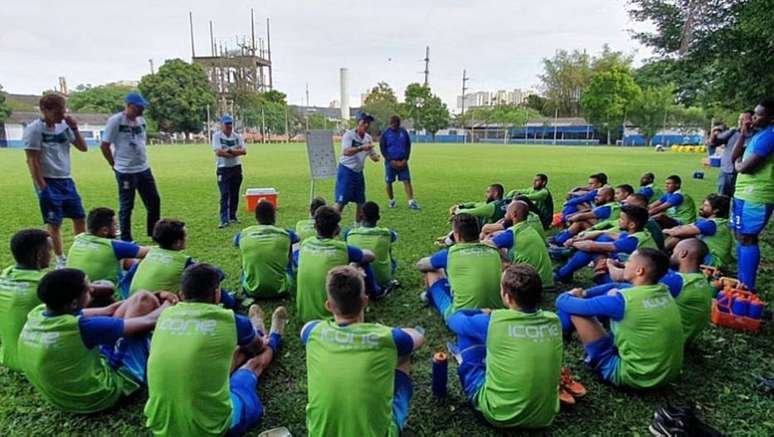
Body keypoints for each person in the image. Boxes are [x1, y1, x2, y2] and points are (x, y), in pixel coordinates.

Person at [144, 263, 288, 436]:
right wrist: (259, 341)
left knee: (223, 355)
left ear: (181, 294)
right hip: (213, 428)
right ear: (217, 293)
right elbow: (257, 349)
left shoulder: (165, 315)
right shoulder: (230, 320)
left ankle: (256, 329)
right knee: (250, 367)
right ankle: (274, 337)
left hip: (161, 426)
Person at [17, 268, 174, 413]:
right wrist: (169, 301)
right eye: (88, 290)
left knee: (141, 298)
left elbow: (108, 310)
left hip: (64, 400)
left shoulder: (38, 313)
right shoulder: (80, 327)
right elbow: (148, 321)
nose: (92, 290)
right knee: (140, 315)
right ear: (73, 303)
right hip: (99, 396)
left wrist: (156, 294)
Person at [301, 265, 425, 436]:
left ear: (329, 305)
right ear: (365, 301)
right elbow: (418, 337)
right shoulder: (387, 337)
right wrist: (384, 331)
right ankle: (396, 417)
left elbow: (306, 328)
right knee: (403, 356)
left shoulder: (312, 332)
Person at [447, 264, 562, 428]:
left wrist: (483, 311)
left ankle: (469, 364)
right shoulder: (554, 320)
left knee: (466, 331)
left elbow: (455, 319)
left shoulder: (494, 322)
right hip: (544, 418)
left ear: (507, 297)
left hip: (498, 415)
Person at [555, 248, 684, 389]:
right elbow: (616, 286)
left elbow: (563, 302)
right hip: (666, 374)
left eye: (628, 261)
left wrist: (571, 294)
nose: (624, 264)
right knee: (608, 293)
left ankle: (575, 342)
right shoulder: (663, 290)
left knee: (577, 311)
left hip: (636, 377)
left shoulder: (623, 301)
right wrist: (585, 293)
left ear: (639, 271)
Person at [23, 93, 88, 268]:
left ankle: (80, 253)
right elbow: (32, 160)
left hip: (66, 179)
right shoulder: (34, 130)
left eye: (63, 110)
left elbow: (83, 148)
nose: (62, 115)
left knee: (80, 217)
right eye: (58, 111)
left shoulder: (65, 126)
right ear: (45, 110)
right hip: (48, 181)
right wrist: (43, 188)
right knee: (54, 222)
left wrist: (74, 128)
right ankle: (60, 259)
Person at [295, 206, 377, 323]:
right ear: (337, 229)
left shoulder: (306, 244)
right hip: (334, 317)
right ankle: (376, 293)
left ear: (315, 227)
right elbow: (370, 256)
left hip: (305, 316)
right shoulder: (341, 248)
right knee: (360, 265)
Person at [417, 213, 503, 321]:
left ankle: (430, 297)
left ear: (456, 235)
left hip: (462, 317)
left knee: (432, 271)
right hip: (496, 313)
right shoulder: (493, 250)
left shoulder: (450, 254)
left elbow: (420, 265)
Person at [99, 92, 160, 242]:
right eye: (139, 107)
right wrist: (113, 164)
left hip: (143, 168)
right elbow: (104, 145)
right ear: (129, 106)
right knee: (127, 206)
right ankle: (126, 238)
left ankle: (154, 233)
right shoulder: (116, 121)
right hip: (125, 171)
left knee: (154, 201)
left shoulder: (141, 121)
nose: (142, 110)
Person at [731, 97, 774, 291]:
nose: (753, 118)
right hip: (744, 193)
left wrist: (739, 165)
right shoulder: (760, 135)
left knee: (747, 237)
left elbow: (744, 167)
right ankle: (742, 280)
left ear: (771, 118)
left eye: (758, 115)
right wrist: (743, 134)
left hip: (756, 195)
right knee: (740, 235)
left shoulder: (770, 136)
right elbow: (734, 158)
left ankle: (747, 287)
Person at [555, 205, 656, 283]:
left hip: (634, 279)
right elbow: (609, 234)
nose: (618, 221)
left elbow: (592, 246)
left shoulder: (632, 240)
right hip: (634, 269)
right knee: (602, 239)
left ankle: (564, 272)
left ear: (632, 224)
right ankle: (564, 272)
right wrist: (598, 233)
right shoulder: (640, 233)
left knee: (594, 249)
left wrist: (572, 243)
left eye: (621, 219)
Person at [0, 229, 52, 371]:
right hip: (34, 363)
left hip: (7, 357)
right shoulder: (45, 284)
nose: (51, 255)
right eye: (50, 250)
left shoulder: (5, 275)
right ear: (39, 255)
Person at [66, 207, 149, 290]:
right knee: (142, 261)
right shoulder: (113, 246)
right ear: (105, 230)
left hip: (77, 293)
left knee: (122, 257)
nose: (117, 228)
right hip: (106, 296)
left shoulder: (79, 238)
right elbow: (149, 252)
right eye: (115, 225)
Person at [234, 200, 299, 298]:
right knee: (291, 249)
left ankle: (253, 278)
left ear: (256, 217)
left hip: (251, 290)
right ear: (274, 216)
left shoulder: (243, 234)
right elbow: (297, 238)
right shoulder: (286, 234)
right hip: (281, 290)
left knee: (245, 262)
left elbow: (235, 241)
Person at [488, 201, 554, 288]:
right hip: (544, 280)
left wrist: (486, 237)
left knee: (493, 253)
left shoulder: (512, 234)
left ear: (514, 214)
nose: (504, 215)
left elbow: (487, 244)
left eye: (506, 212)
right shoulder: (528, 228)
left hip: (532, 285)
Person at [663, 194, 734, 269]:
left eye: (706, 206)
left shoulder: (712, 224)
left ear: (716, 210)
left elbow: (678, 231)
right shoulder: (714, 222)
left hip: (715, 261)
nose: (701, 208)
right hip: (712, 256)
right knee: (682, 239)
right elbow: (684, 228)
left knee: (682, 243)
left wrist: (665, 231)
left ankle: (663, 262)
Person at [345, 201, 400, 293]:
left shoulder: (349, 233)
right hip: (383, 279)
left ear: (361, 217)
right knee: (390, 256)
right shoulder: (387, 233)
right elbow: (394, 236)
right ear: (378, 217)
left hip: (357, 276)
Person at [334, 112, 381, 220]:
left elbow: (372, 153)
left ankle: (358, 226)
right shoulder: (349, 135)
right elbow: (346, 152)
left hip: (358, 172)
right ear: (358, 122)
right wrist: (361, 148)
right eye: (364, 122)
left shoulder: (368, 138)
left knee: (361, 202)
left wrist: (375, 157)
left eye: (368, 122)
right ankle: (329, 225)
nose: (366, 125)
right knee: (341, 202)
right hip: (346, 170)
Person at [128, 219, 192, 296]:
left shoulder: (149, 252)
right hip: (156, 305)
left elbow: (131, 274)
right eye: (185, 236)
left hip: (131, 301)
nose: (187, 238)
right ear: (177, 243)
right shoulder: (184, 261)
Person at [212, 114, 247, 228]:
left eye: (230, 124)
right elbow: (219, 152)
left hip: (236, 168)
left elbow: (243, 151)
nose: (229, 126)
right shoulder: (217, 136)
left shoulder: (237, 136)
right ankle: (223, 219)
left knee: (234, 194)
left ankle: (232, 216)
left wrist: (229, 151)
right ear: (222, 124)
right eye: (227, 124)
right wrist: (234, 151)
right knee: (224, 194)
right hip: (223, 169)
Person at [552, 187, 618, 246]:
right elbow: (589, 211)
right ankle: (561, 238)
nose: (595, 197)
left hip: (602, 231)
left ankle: (559, 241)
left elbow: (581, 216)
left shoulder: (605, 209)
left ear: (608, 197)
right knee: (579, 214)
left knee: (579, 222)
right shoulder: (613, 205)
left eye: (598, 196)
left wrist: (569, 217)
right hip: (603, 228)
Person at [710, 111, 755, 197]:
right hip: (726, 172)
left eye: (743, 119)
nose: (740, 122)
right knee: (721, 200)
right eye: (739, 119)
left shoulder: (756, 135)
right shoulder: (733, 132)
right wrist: (714, 134)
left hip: (744, 174)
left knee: (740, 199)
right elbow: (714, 143)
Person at [380, 115, 419, 209]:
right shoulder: (385, 134)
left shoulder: (403, 132)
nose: (394, 126)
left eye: (396, 124)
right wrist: (390, 160)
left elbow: (408, 146)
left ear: (399, 124)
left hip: (403, 162)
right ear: (390, 124)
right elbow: (383, 148)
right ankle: (391, 200)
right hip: (390, 163)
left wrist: (405, 159)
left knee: (407, 181)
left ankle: (411, 202)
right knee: (389, 182)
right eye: (393, 124)